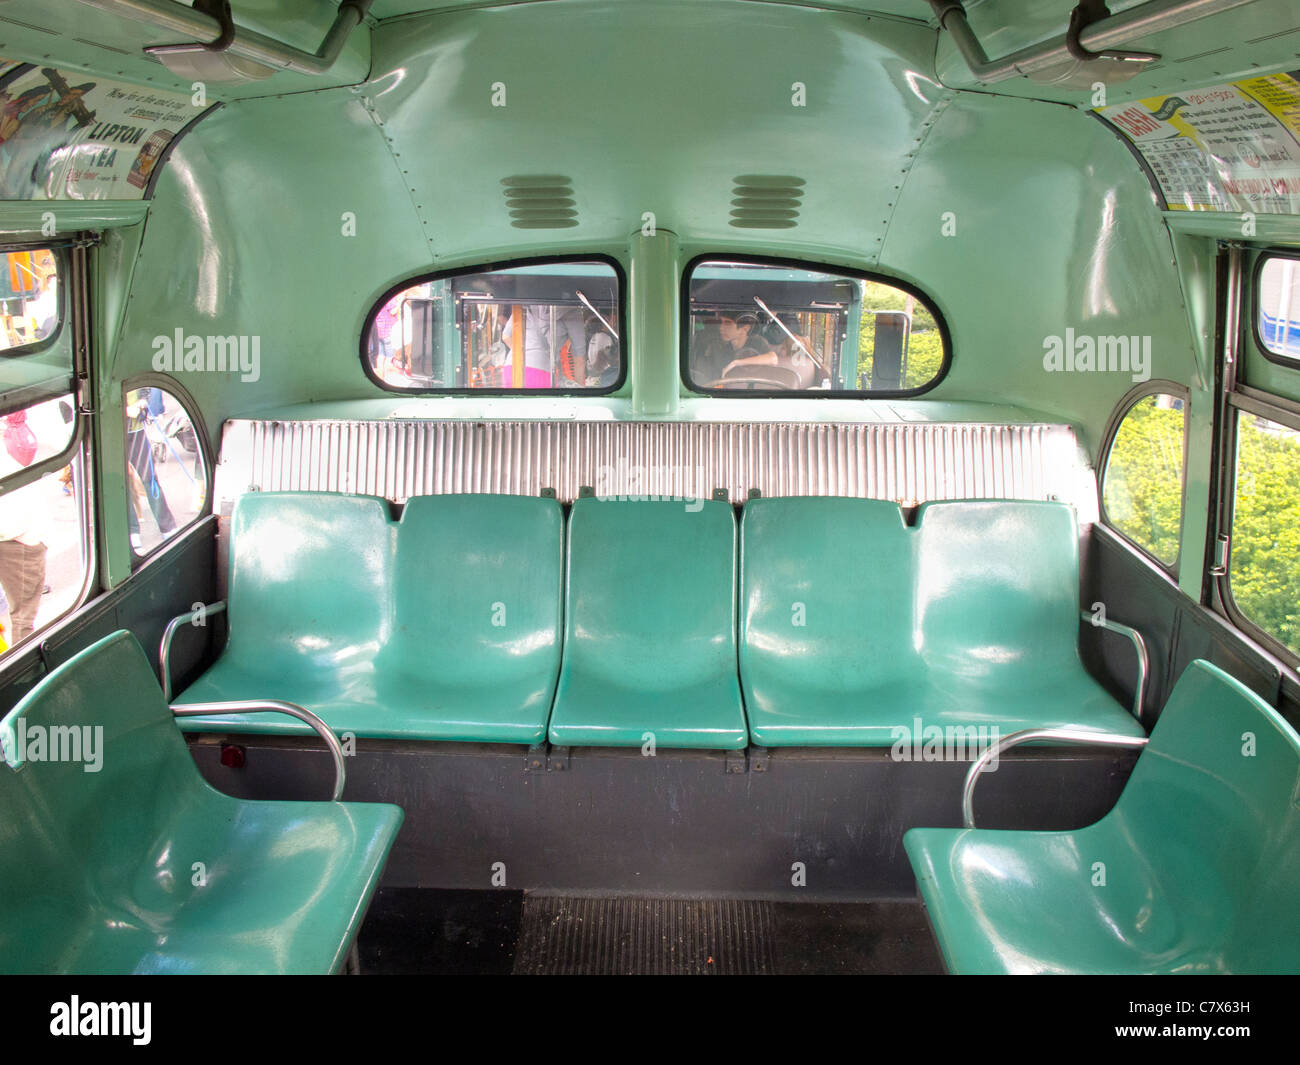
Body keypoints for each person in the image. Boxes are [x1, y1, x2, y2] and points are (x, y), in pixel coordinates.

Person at [0, 410, 47, 644]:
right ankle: (20, 677)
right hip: (16, 538)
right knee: (21, 620)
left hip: (15, 534)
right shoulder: (12, 439)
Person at [125, 387, 177, 549]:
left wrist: (143, 400)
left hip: (137, 430)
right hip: (114, 433)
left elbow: (144, 387)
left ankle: (167, 526)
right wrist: (125, 410)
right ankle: (132, 531)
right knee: (123, 484)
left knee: (150, 478)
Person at [501, 304, 586, 388]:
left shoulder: (526, 302)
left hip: (513, 367)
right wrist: (581, 391)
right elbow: (579, 358)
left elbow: (506, 336)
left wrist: (524, 353)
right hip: (541, 370)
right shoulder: (572, 311)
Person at [692, 311, 772, 384]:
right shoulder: (719, 346)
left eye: (727, 323)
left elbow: (773, 359)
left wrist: (736, 363)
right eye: (721, 322)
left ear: (745, 329)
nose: (721, 328)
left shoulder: (757, 342)